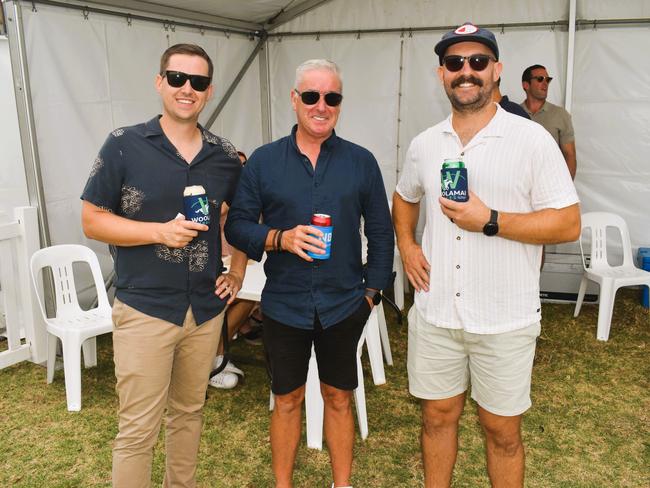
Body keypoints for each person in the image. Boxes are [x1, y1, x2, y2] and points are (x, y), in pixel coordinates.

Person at [392, 23, 580, 487]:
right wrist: (407, 244)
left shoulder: (531, 138)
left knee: (501, 431)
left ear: (497, 70)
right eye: (455, 63)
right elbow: (403, 196)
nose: (466, 72)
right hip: (437, 312)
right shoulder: (425, 143)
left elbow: (567, 222)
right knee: (437, 418)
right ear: (442, 74)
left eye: (478, 62)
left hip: (504, 316)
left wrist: (491, 219)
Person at [80, 43, 245, 487]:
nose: (187, 89)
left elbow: (243, 217)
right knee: (138, 430)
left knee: (189, 416)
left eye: (198, 82)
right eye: (177, 78)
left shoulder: (224, 156)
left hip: (204, 311)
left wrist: (238, 272)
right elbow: (92, 220)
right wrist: (158, 231)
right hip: (145, 309)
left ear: (209, 92)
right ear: (160, 82)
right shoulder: (124, 145)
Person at [225, 59, 394, 488]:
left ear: (340, 103)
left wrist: (371, 294)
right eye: (312, 96)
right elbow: (237, 226)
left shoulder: (361, 162)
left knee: (339, 397)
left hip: (343, 304)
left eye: (331, 97)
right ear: (294, 99)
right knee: (286, 400)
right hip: (284, 304)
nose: (322, 105)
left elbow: (380, 231)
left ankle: (343, 484)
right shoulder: (263, 161)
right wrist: (280, 238)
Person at [210, 150, 262, 390]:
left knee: (254, 295)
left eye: (245, 167)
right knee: (244, 299)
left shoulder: (248, 205)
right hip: (213, 274)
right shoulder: (216, 203)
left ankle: (229, 344)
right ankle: (217, 358)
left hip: (239, 270)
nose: (241, 173)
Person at [520, 64, 577, 179]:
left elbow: (569, 155)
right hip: (520, 184)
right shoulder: (514, 113)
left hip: (550, 184)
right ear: (526, 85)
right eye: (540, 79)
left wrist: (565, 187)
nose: (545, 83)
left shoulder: (560, 114)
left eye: (548, 80)